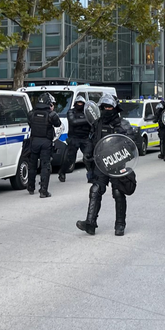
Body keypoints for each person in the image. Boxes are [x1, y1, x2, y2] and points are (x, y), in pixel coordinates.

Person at [77, 94, 135, 236]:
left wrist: (121, 145)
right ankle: (90, 223)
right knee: (95, 190)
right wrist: (88, 152)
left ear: (115, 108)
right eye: (104, 107)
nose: (107, 109)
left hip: (116, 163)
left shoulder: (123, 124)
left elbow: (132, 146)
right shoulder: (97, 123)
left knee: (118, 192)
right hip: (100, 163)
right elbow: (91, 140)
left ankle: (120, 225)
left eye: (109, 107)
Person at [26, 92, 62, 197]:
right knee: (45, 166)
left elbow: (30, 123)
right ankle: (43, 190)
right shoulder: (51, 114)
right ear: (49, 103)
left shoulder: (31, 113)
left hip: (34, 141)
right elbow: (58, 124)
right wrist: (51, 110)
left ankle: (30, 187)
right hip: (46, 142)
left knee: (32, 165)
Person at [58, 94, 92, 183]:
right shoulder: (71, 112)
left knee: (88, 157)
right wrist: (87, 120)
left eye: (81, 103)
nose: (80, 104)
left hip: (85, 138)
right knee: (70, 159)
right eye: (78, 103)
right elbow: (73, 121)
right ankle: (62, 172)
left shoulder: (87, 112)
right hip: (74, 138)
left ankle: (91, 175)